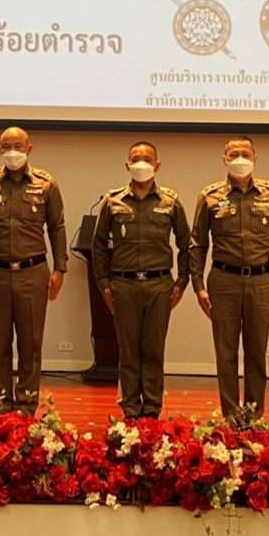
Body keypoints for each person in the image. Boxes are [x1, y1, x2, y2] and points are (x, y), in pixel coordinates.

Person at [0, 126, 68, 415]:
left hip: (33, 272)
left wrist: (60, 268)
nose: (13, 152)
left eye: (18, 146)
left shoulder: (46, 184)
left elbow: (57, 227)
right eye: (7, 147)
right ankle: (1, 406)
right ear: (0, 149)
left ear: (29, 149)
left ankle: (26, 405)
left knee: (30, 343)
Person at [190, 137, 269, 421]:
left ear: (255, 157)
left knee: (257, 352)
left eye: (245, 154)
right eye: (233, 154)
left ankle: (255, 417)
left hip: (261, 281)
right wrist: (198, 286)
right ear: (224, 159)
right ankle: (232, 418)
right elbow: (197, 243)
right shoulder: (209, 196)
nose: (240, 159)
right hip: (224, 281)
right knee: (226, 353)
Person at [91, 141, 189, 419]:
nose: (141, 164)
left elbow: (186, 243)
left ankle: (152, 410)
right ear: (127, 164)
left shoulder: (170, 202)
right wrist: (104, 284)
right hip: (124, 285)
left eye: (147, 159)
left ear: (157, 165)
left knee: (154, 350)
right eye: (136, 159)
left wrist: (181, 281)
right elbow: (99, 245)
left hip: (160, 285)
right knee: (128, 351)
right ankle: (131, 409)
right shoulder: (113, 201)